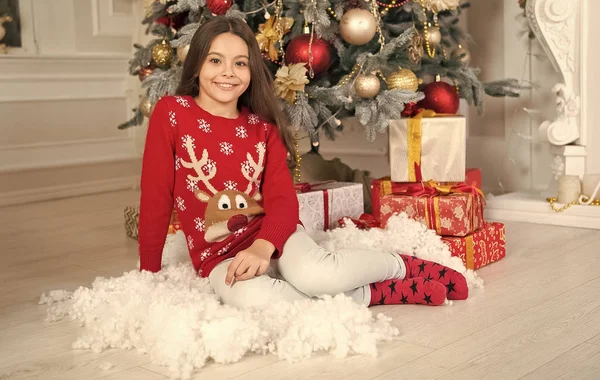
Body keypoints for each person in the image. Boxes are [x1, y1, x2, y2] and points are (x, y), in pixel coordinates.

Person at [138, 16, 468, 310]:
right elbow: (155, 197)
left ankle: (399, 266)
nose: (227, 72)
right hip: (217, 255)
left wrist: (264, 247)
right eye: (215, 60)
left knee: (315, 275)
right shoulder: (172, 114)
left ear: (252, 72)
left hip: (271, 232)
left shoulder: (262, 128)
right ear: (196, 65)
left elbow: (283, 201)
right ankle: (376, 294)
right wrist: (148, 275)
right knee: (256, 299)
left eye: (240, 63)